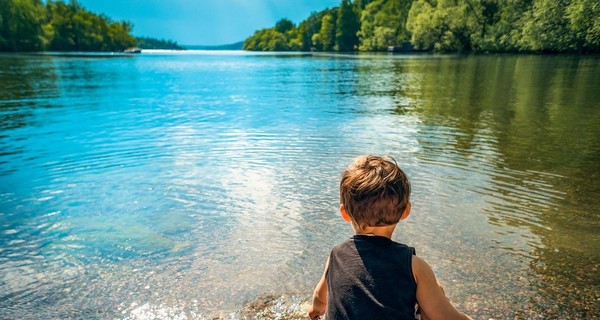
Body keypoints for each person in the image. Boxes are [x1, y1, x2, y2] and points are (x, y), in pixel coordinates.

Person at [308, 155, 473, 320]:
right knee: (436, 289)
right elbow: (445, 317)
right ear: (405, 211)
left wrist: (314, 312)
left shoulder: (336, 255)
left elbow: (319, 298)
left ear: (345, 213)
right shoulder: (414, 266)